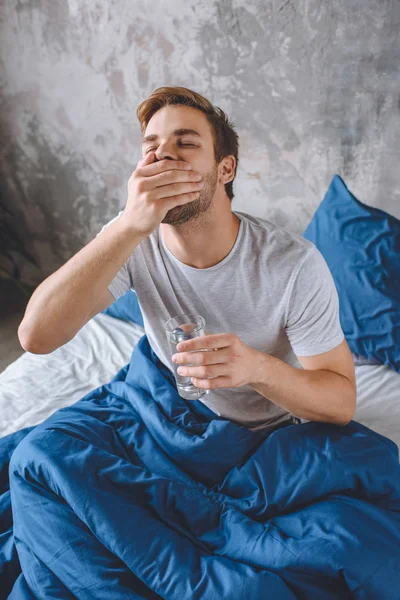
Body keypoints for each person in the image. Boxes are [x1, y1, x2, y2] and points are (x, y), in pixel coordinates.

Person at [18, 86, 356, 432]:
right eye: (151, 146)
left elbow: (341, 403)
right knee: (37, 456)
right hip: (161, 408)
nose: (162, 155)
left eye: (186, 143)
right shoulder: (131, 236)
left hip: (257, 432)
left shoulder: (293, 265)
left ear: (225, 170)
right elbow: (36, 337)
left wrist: (257, 368)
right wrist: (127, 227)